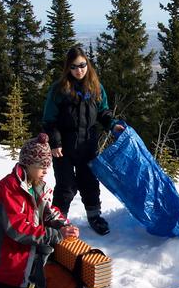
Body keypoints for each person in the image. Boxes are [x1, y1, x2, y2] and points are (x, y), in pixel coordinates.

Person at [0, 133, 79, 288]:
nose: (46, 171)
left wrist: (62, 225)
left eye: (47, 166)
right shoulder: (9, 189)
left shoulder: (36, 184)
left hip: (15, 249)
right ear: (28, 164)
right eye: (41, 166)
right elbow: (17, 229)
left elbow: (48, 211)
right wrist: (56, 235)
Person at [42, 46, 125, 236]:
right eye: (74, 67)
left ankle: (94, 216)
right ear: (68, 68)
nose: (79, 70)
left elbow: (103, 112)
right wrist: (55, 143)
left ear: (87, 64)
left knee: (89, 182)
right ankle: (57, 222)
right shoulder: (59, 89)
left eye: (82, 65)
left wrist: (112, 125)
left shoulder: (96, 87)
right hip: (63, 147)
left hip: (88, 144)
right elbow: (49, 120)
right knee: (66, 186)